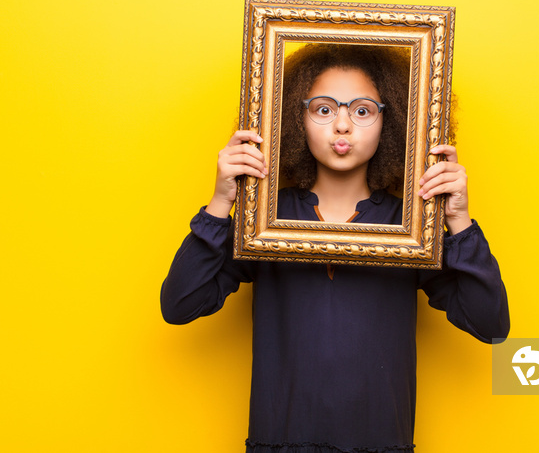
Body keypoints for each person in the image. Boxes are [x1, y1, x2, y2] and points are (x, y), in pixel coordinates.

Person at [161, 44, 509, 453]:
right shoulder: (264, 220)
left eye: (362, 110)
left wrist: (459, 221)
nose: (342, 125)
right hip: (279, 442)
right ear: (295, 117)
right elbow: (180, 305)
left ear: (390, 121)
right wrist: (221, 202)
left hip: (382, 443)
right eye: (324, 109)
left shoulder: (413, 227)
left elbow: (491, 326)